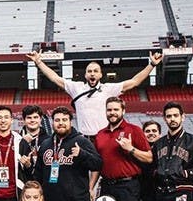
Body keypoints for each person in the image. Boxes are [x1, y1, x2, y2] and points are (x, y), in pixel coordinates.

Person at [27, 51, 163, 138]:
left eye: (95, 71)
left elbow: (134, 82)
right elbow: (55, 78)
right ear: (85, 74)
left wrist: (152, 64)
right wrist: (38, 62)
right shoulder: (76, 87)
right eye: (89, 71)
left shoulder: (108, 89)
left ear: (100, 74)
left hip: (105, 137)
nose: (92, 73)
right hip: (83, 138)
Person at [34, 106, 102, 201]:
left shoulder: (81, 141)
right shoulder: (45, 144)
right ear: (52, 123)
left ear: (70, 122)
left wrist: (82, 154)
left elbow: (98, 163)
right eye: (57, 120)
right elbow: (38, 174)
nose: (61, 123)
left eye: (64, 120)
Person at [90, 97, 152, 201]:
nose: (112, 112)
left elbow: (149, 157)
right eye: (109, 110)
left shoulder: (134, 130)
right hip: (107, 185)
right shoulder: (100, 134)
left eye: (116, 109)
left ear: (123, 111)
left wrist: (131, 149)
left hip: (127, 186)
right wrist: (91, 187)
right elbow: (97, 165)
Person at [138, 120, 163, 201]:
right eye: (147, 131)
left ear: (160, 134)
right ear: (143, 134)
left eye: (154, 131)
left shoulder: (167, 153)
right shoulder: (138, 154)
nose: (151, 133)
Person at [18, 104, 49, 179]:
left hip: (43, 183)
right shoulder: (17, 139)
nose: (32, 120)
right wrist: (23, 142)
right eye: (29, 117)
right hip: (23, 183)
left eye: (35, 117)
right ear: (24, 120)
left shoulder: (49, 140)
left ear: (40, 119)